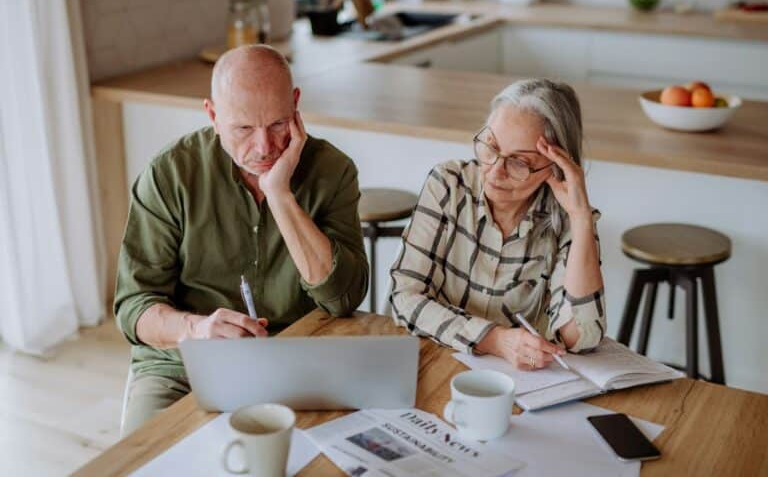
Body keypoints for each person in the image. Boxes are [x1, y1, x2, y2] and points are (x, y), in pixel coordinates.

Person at [115, 45, 368, 434]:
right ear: (213, 116)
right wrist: (195, 331)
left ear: (296, 103)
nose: (265, 148)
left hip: (293, 360)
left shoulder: (333, 171)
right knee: (146, 462)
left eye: (279, 124)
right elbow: (134, 307)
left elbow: (343, 298)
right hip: (183, 367)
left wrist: (281, 195)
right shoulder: (170, 174)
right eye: (244, 129)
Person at [389, 78, 605, 370]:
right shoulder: (449, 186)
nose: (494, 172)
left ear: (553, 167)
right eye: (490, 147)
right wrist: (494, 340)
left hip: (517, 381)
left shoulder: (567, 219)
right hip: (429, 359)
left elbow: (581, 338)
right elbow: (404, 297)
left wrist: (581, 219)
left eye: (519, 162)